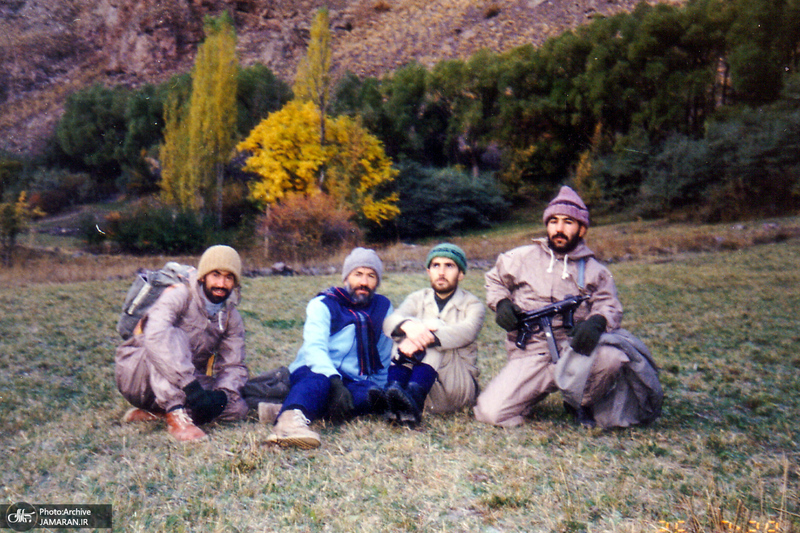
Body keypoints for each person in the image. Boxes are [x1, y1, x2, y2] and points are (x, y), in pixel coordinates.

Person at [475, 186, 662, 429]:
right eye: (553, 221)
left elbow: (608, 304)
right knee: (491, 413)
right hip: (532, 351)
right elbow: (495, 279)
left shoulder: (596, 271)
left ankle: (580, 401)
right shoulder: (520, 258)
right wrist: (501, 304)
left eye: (568, 222)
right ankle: (526, 397)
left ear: (582, 229)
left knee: (612, 357)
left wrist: (596, 323)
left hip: (575, 350)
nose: (559, 229)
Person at [115, 245, 250, 442]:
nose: (221, 283)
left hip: (184, 382)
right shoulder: (180, 294)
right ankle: (175, 414)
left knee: (236, 408)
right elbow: (155, 337)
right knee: (172, 337)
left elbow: (234, 363)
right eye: (216, 275)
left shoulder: (231, 317)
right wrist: (190, 387)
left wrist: (222, 395)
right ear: (203, 276)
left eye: (229, 277)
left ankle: (158, 413)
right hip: (138, 375)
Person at [267, 247, 393, 449]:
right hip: (314, 370)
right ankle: (288, 423)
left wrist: (381, 388)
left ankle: (284, 407)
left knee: (371, 396)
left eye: (371, 276)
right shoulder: (324, 304)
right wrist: (334, 381)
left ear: (377, 281)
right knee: (320, 382)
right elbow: (314, 349)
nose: (364, 282)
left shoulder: (383, 307)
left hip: (352, 379)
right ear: (346, 278)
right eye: (357, 274)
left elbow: (384, 353)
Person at [381, 243, 485, 427]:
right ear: (428, 271)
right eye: (436, 265)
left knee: (431, 328)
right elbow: (390, 321)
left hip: (454, 386)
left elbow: (466, 332)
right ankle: (396, 395)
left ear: (461, 274)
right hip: (426, 387)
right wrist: (408, 326)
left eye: (449, 266)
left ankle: (410, 397)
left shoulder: (473, 304)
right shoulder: (418, 297)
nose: (442, 272)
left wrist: (423, 334)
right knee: (407, 327)